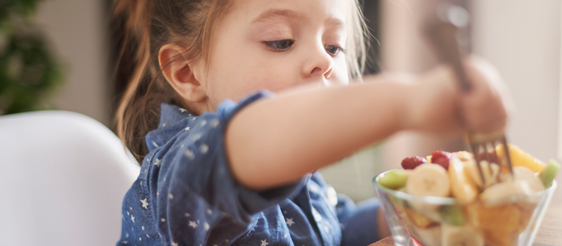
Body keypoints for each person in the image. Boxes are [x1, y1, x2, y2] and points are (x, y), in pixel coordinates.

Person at [112, 0, 510, 245]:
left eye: (334, 46)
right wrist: (408, 100)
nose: (324, 61)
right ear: (187, 73)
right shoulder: (183, 170)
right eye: (281, 41)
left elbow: (333, 228)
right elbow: (257, 136)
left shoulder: (297, 176)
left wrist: (411, 207)